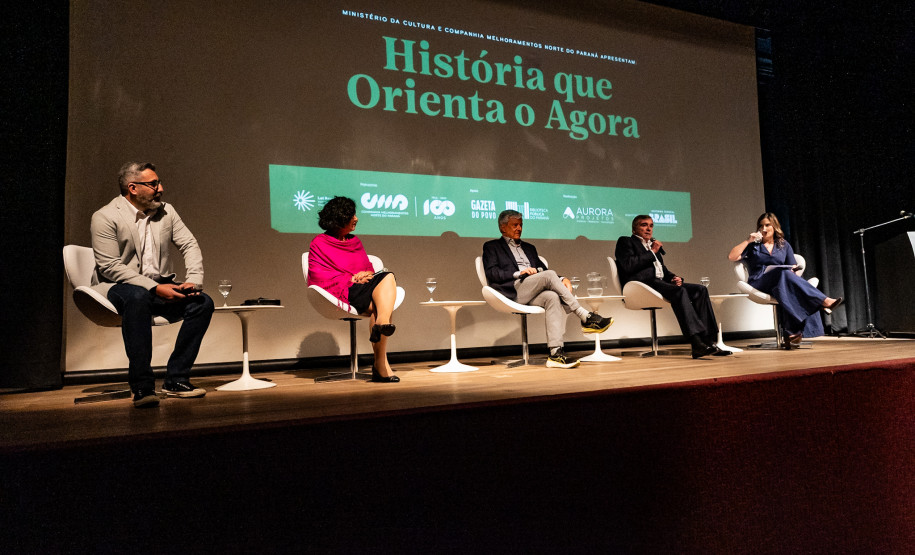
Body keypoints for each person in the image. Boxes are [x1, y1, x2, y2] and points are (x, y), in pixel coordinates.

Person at [91, 162, 214, 408]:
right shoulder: (105, 216)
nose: (161, 188)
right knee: (138, 297)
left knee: (202, 303)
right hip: (117, 286)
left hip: (160, 285)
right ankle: (142, 386)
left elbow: (189, 244)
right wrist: (154, 288)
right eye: (154, 184)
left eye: (158, 182)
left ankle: (176, 379)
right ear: (133, 188)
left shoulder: (167, 212)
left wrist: (194, 279)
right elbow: (110, 267)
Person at [482, 210, 614, 368]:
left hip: (533, 289)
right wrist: (519, 273)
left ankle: (555, 353)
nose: (519, 228)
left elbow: (543, 270)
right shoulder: (492, 247)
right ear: (503, 228)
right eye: (515, 225)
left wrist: (562, 278)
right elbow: (492, 273)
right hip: (513, 290)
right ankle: (585, 316)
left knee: (552, 296)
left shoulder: (529, 248)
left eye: (521, 225)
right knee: (550, 275)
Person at [307, 196, 400, 383]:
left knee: (387, 276)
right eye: (352, 215)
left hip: (362, 288)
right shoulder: (319, 243)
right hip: (342, 291)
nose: (356, 219)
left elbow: (368, 268)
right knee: (381, 306)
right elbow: (318, 276)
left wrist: (365, 273)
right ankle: (381, 364)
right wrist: (349, 278)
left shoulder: (354, 241)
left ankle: (380, 345)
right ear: (340, 218)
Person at [615, 215, 730, 359]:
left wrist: (674, 278)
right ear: (634, 228)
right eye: (644, 225)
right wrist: (652, 252)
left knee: (700, 290)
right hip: (642, 285)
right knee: (679, 292)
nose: (648, 228)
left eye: (651, 225)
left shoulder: (651, 245)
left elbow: (662, 269)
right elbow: (629, 265)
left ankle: (708, 341)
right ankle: (696, 343)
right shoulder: (625, 241)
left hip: (660, 283)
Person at [728, 212, 843, 347]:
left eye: (767, 225)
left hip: (779, 282)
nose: (763, 229)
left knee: (784, 277)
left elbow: (793, 266)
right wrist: (748, 240)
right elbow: (732, 256)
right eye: (761, 226)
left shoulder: (783, 245)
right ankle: (822, 301)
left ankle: (791, 333)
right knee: (783, 273)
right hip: (759, 281)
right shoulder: (754, 245)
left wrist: (793, 270)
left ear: (774, 226)